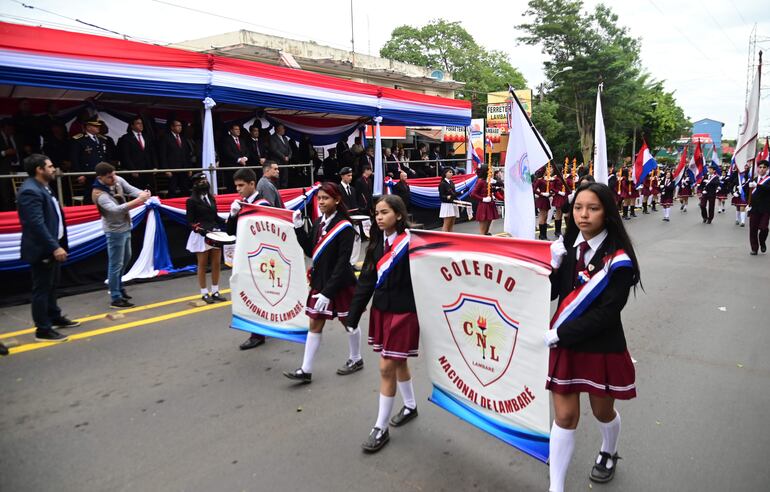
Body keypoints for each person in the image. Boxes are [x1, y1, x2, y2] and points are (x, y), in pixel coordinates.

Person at [546, 181, 641, 492]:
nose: (583, 215)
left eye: (593, 208)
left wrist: (559, 333)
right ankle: (556, 487)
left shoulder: (619, 260)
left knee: (603, 411)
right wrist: (552, 267)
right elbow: (551, 293)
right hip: (565, 344)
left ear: (607, 213)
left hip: (600, 346)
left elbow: (607, 314)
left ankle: (609, 451)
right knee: (565, 417)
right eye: (578, 208)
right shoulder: (569, 248)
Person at [347, 195, 419, 452]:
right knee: (398, 361)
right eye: (376, 212)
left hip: (404, 312)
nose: (378, 217)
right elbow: (366, 281)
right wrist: (352, 315)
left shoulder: (413, 243)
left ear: (398, 215)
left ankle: (381, 427)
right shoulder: (376, 245)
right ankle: (410, 405)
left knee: (386, 367)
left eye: (384, 212)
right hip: (382, 311)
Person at [284, 182, 360, 383]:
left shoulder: (345, 227)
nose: (321, 202)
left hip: (340, 284)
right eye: (319, 198)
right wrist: (299, 229)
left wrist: (328, 292)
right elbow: (311, 251)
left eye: (326, 198)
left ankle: (356, 358)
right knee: (315, 323)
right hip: (320, 282)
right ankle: (306, 369)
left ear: (337, 200)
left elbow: (343, 263)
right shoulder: (318, 223)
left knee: (348, 322)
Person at [17, 154, 80, 342]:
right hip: (43, 248)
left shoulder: (43, 186)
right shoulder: (30, 191)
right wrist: (54, 247)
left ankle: (55, 316)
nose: (54, 169)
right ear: (39, 169)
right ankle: (43, 329)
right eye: (50, 166)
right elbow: (35, 224)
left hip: (53, 245)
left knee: (52, 286)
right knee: (42, 289)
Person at [92, 162, 151, 308]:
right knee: (115, 264)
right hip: (114, 230)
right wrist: (139, 201)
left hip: (125, 226)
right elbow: (117, 210)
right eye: (109, 177)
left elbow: (130, 189)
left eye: (114, 174)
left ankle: (119, 286)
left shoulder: (117, 179)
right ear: (100, 178)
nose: (113, 178)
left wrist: (142, 194)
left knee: (125, 259)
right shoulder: (99, 194)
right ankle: (115, 296)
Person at [186, 173, 227, 304]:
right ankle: (204, 292)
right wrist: (199, 229)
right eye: (201, 181)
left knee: (216, 263)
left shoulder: (211, 198)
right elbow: (190, 221)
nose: (204, 183)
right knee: (202, 264)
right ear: (195, 184)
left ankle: (215, 290)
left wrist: (227, 221)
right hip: (201, 235)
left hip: (215, 233)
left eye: (205, 180)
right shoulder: (191, 201)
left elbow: (215, 217)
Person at [71, 119, 109, 204]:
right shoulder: (79, 139)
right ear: (88, 127)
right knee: (89, 195)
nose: (98, 128)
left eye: (98, 126)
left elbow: (104, 156)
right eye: (95, 126)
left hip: (101, 173)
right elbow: (75, 158)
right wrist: (79, 173)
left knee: (104, 194)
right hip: (88, 173)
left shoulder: (102, 139)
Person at [117, 116, 156, 191]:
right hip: (136, 170)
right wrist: (132, 169)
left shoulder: (147, 137)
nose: (141, 125)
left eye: (141, 123)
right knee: (137, 190)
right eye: (138, 123)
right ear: (132, 126)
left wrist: (154, 166)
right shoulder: (126, 138)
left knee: (149, 190)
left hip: (148, 169)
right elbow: (126, 156)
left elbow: (152, 153)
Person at [158, 120, 192, 197]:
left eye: (180, 126)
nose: (180, 127)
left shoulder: (183, 138)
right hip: (172, 169)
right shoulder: (166, 138)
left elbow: (187, 154)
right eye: (177, 126)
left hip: (183, 168)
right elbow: (163, 155)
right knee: (172, 190)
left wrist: (189, 168)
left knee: (185, 189)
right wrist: (166, 169)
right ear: (172, 127)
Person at [747, 160, 770, 255]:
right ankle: (754, 248)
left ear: (767, 169)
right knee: (753, 229)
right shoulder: (753, 179)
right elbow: (747, 191)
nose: (762, 169)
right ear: (757, 168)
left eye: (764, 167)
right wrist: (747, 203)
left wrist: (758, 186)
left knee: (764, 228)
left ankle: (762, 241)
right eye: (760, 167)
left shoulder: (768, 179)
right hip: (754, 208)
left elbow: (768, 189)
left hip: (766, 208)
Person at [470, 165, 499, 236]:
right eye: (490, 171)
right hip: (484, 206)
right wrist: (483, 199)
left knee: (487, 230)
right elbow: (473, 194)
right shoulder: (481, 181)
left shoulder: (488, 181)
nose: (491, 172)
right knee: (483, 232)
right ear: (486, 171)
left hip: (490, 205)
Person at [219, 123, 248, 193]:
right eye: (236, 129)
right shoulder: (226, 140)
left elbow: (247, 150)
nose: (238, 131)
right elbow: (227, 152)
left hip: (242, 167)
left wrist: (245, 158)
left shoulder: (242, 140)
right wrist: (238, 159)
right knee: (233, 186)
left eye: (239, 129)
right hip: (232, 167)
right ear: (231, 131)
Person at [269, 124, 292, 188]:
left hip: (285, 162)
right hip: (277, 162)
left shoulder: (285, 138)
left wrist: (289, 156)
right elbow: (274, 150)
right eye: (282, 128)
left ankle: (284, 191)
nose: (284, 130)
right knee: (277, 180)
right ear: (277, 129)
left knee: (284, 179)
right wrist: (283, 157)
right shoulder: (272, 138)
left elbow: (290, 149)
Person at [438, 167, 458, 232]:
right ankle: (444, 238)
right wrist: (447, 197)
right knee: (446, 223)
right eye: (449, 172)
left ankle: (451, 237)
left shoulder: (452, 182)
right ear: (445, 174)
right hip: (447, 205)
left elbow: (454, 193)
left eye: (452, 172)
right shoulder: (442, 184)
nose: (451, 173)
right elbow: (441, 196)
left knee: (452, 222)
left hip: (453, 203)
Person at [533, 169, 552, 239]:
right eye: (546, 170)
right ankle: (542, 235)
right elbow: (534, 190)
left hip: (546, 198)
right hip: (542, 199)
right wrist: (542, 193)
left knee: (546, 217)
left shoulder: (546, 179)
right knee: (542, 217)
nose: (547, 170)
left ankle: (544, 235)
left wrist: (550, 193)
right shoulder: (539, 180)